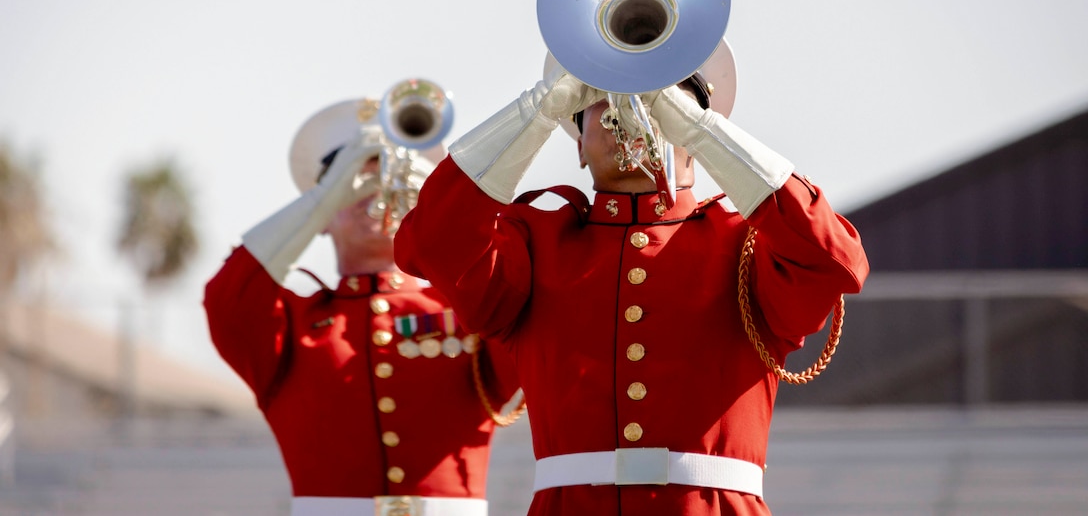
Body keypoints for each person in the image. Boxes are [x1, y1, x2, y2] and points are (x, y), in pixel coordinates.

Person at [393, 45, 870, 515]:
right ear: (577, 144)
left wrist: (702, 128)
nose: (632, 107)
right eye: (600, 99)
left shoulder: (747, 245)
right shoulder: (536, 243)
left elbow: (834, 260)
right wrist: (542, 108)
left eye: (662, 92)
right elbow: (431, 242)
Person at [204, 95, 520, 516]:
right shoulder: (294, 322)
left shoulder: (468, 309)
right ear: (321, 216)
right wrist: (322, 199)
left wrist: (441, 194)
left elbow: (527, 298)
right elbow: (228, 298)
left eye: (385, 177)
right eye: (354, 180)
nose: (376, 188)